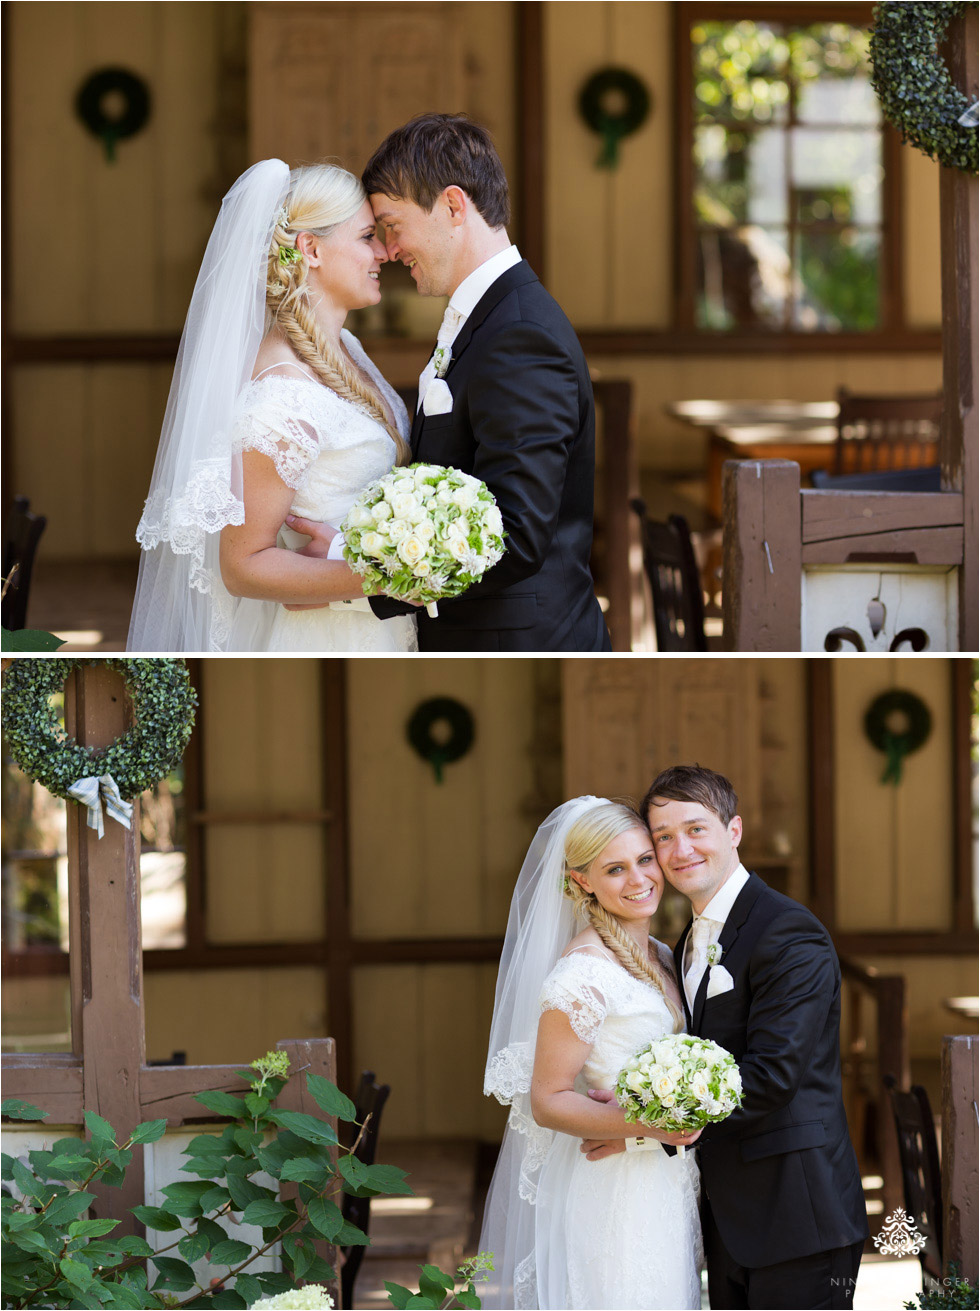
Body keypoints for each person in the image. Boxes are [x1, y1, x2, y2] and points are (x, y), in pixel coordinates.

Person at [290, 114, 611, 652]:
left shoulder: (520, 334)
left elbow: (517, 534)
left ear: (454, 206)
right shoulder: (488, 316)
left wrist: (356, 572)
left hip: (519, 645)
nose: (388, 251)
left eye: (392, 225)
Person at [586, 765, 867, 1311]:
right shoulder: (689, 937)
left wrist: (643, 1131)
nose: (679, 849)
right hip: (729, 1220)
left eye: (695, 829)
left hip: (797, 1220)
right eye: (663, 837)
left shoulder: (788, 931)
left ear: (733, 831)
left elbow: (771, 1078)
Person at [127, 159, 417, 652]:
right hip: (329, 636)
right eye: (367, 236)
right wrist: (388, 579)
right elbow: (244, 565)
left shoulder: (347, 349)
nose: (385, 252)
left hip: (379, 626)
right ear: (311, 248)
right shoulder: (284, 393)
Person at [480, 797, 702, 1310]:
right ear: (582, 882)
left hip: (661, 1177)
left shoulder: (662, 955)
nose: (638, 879)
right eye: (615, 869)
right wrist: (648, 1124)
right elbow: (548, 1099)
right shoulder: (583, 974)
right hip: (611, 1190)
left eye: (645, 860)